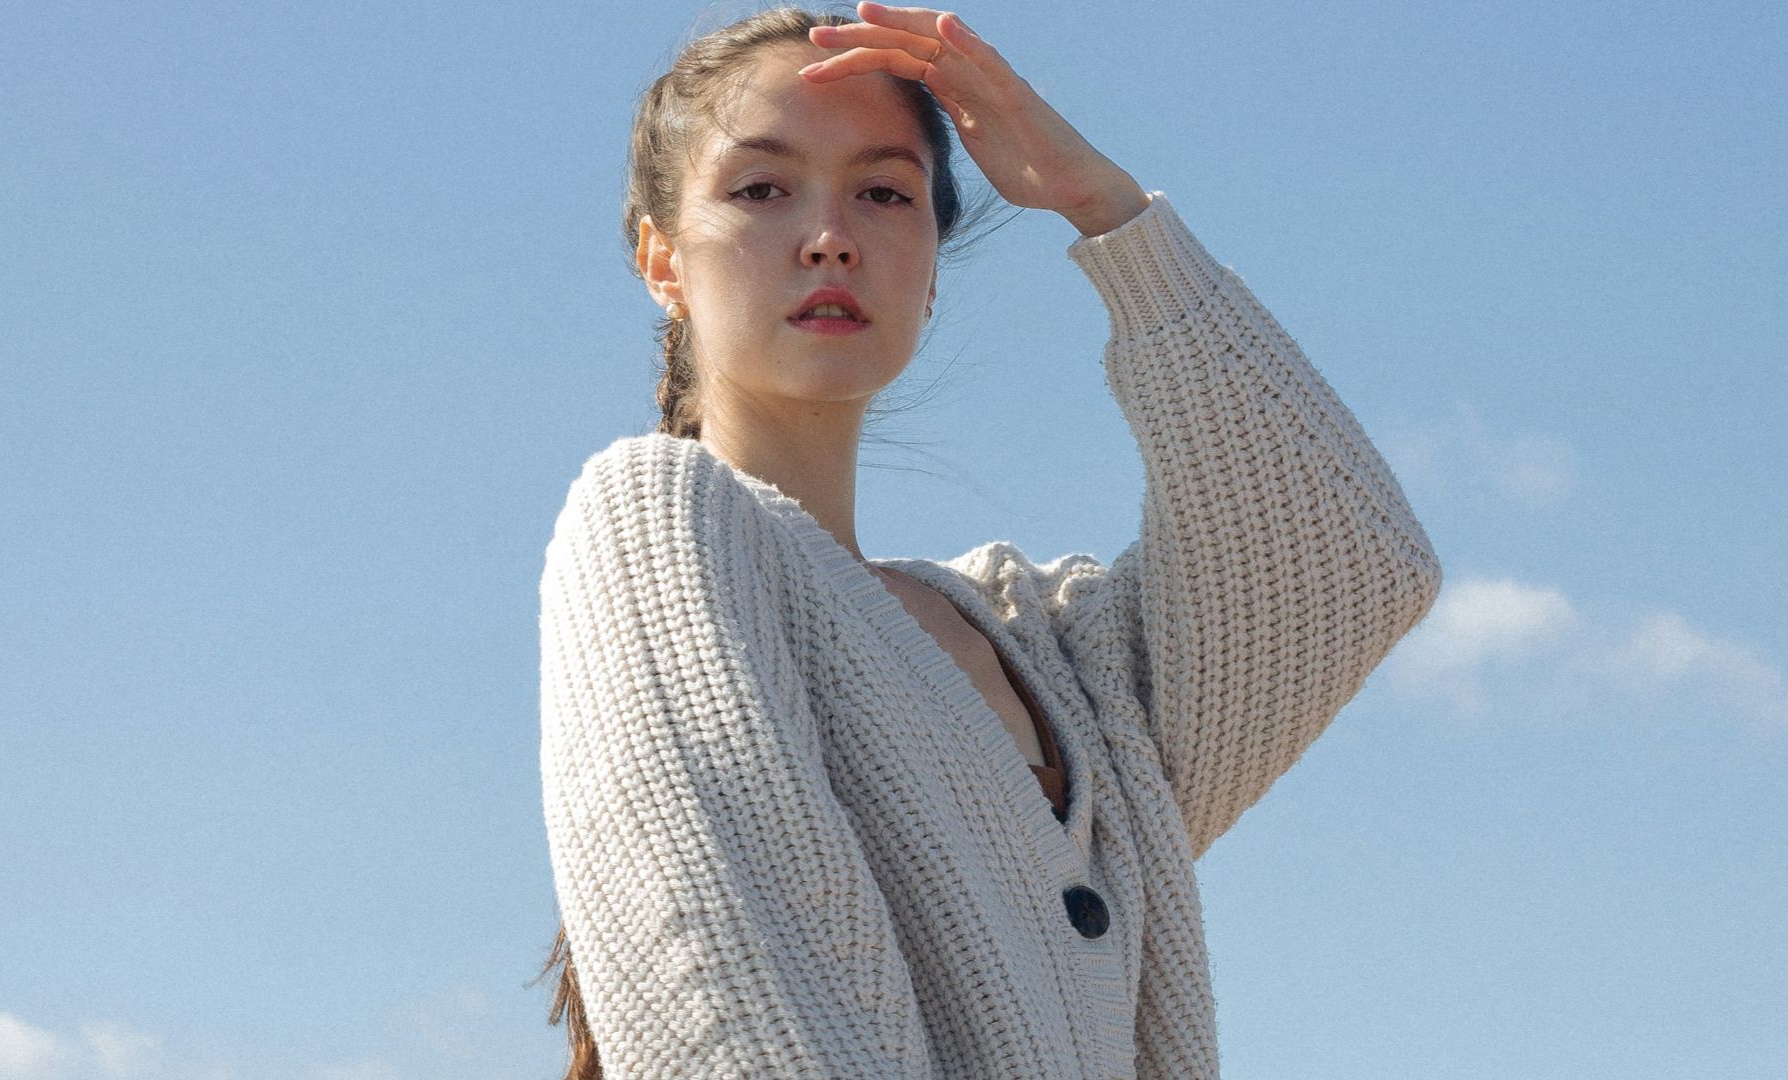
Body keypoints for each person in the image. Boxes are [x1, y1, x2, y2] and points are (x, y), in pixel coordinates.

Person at [535, 3, 1444, 1078]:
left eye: (885, 192)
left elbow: (1344, 564)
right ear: (662, 259)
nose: (831, 233)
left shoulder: (1044, 645)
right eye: (761, 188)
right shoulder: (653, 520)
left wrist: (1107, 213)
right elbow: (742, 1020)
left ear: (931, 263)